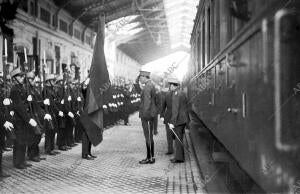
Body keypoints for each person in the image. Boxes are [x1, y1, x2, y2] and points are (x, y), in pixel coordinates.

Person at [134, 70, 157, 164]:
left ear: (144, 77)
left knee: (147, 137)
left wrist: (145, 115)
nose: (139, 80)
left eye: (140, 78)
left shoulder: (147, 87)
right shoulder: (150, 85)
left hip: (147, 115)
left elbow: (147, 103)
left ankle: (149, 158)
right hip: (151, 114)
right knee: (150, 136)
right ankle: (152, 157)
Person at [167, 77, 189, 163]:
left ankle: (179, 158)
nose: (170, 87)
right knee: (179, 138)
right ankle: (179, 156)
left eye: (171, 85)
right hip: (183, 119)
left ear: (175, 86)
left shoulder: (176, 95)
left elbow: (175, 110)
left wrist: (172, 122)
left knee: (177, 140)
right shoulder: (182, 93)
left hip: (179, 120)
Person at [81, 77, 96, 160]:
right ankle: (85, 154)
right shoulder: (87, 82)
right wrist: (85, 84)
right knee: (86, 134)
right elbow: (83, 89)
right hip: (87, 111)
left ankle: (89, 152)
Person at [160, 83, 174, 155]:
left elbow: (163, 106)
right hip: (174, 117)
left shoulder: (167, 95)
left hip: (169, 117)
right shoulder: (181, 94)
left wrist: (162, 116)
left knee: (169, 135)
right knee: (174, 134)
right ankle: (172, 150)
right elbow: (163, 106)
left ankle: (170, 150)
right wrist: (162, 116)